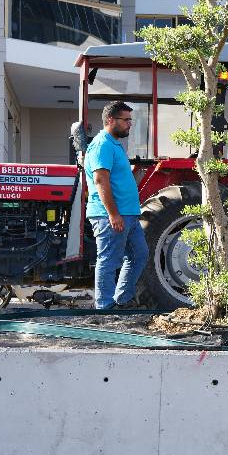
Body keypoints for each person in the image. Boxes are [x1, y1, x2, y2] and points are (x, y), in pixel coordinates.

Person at [84, 101, 149, 310]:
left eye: (131, 120)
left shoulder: (114, 144)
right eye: (126, 120)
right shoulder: (102, 144)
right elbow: (101, 180)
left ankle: (122, 298)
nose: (130, 124)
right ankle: (104, 306)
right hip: (110, 216)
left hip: (127, 215)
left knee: (139, 254)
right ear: (110, 120)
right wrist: (113, 214)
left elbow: (117, 180)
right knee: (109, 260)